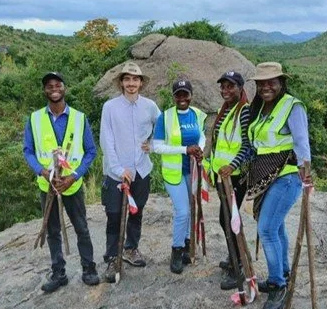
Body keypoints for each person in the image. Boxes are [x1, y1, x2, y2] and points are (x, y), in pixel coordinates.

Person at [245, 62, 312, 309]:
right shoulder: (260, 108)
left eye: (271, 82)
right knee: (278, 226)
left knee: (267, 229)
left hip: (286, 175)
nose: (266, 87)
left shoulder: (292, 106)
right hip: (264, 173)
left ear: (281, 82)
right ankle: (283, 272)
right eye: (261, 83)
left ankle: (277, 285)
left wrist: (307, 177)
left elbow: (301, 143)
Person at [23, 72, 99, 292]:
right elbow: (28, 151)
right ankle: (59, 273)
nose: (54, 89)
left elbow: (91, 152)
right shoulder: (35, 119)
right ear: (45, 90)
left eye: (58, 85)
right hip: (48, 186)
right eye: (49, 86)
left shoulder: (79, 117)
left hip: (71, 185)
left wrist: (74, 175)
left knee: (81, 227)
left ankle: (89, 268)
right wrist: (42, 171)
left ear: (64, 88)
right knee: (52, 230)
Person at [100, 61, 161, 283]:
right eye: (127, 79)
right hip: (116, 173)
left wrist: (153, 144)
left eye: (135, 79)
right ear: (121, 82)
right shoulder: (110, 107)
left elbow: (163, 126)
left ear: (141, 83)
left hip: (141, 169)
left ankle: (130, 249)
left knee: (137, 212)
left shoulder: (150, 106)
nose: (131, 83)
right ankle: (111, 257)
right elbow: (106, 141)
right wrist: (117, 168)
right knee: (114, 215)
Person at [152, 79, 207, 274]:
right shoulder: (165, 117)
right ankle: (176, 251)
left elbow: (203, 136)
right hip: (174, 172)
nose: (182, 98)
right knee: (183, 211)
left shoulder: (198, 114)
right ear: (173, 97)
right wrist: (185, 149)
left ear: (191, 95)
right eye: (178, 94)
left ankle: (186, 244)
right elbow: (156, 146)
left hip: (192, 171)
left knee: (192, 209)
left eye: (186, 94)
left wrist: (199, 148)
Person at [207, 71, 252, 290]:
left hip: (234, 176)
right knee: (226, 217)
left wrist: (232, 165)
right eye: (223, 86)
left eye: (230, 87)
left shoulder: (244, 111)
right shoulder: (225, 110)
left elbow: (248, 145)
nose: (225, 91)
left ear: (240, 88)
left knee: (228, 218)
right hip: (221, 175)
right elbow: (218, 144)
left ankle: (238, 267)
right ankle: (234, 255)